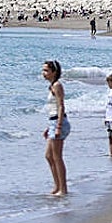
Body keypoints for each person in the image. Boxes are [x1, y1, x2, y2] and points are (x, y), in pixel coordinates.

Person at [42, 60, 69, 196]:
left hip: (59, 122)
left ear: (54, 72)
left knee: (57, 157)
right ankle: (57, 186)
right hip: (53, 122)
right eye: (43, 70)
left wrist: (58, 126)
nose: (44, 73)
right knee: (48, 156)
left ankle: (63, 189)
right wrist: (49, 127)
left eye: (46, 70)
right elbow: (53, 108)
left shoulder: (57, 85)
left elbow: (61, 106)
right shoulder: (52, 86)